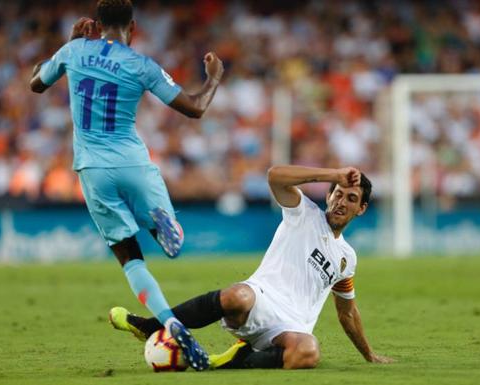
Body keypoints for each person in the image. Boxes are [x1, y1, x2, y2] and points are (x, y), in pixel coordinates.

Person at [29, 0, 224, 371]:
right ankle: (165, 227)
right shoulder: (142, 65)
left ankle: (169, 320)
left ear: (97, 25)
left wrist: (68, 43)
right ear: (132, 28)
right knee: (170, 237)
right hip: (133, 162)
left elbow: (36, 82)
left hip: (92, 168)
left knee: (129, 256)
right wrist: (214, 76)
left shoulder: (74, 50)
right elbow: (195, 107)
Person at [110, 165, 393, 369]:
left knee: (309, 352)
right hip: (259, 299)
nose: (341, 202)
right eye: (338, 194)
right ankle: (149, 326)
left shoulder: (347, 258)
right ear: (329, 194)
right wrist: (332, 174)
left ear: (362, 209)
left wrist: (368, 354)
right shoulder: (304, 213)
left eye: (351, 198)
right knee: (237, 295)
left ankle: (228, 361)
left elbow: (347, 312)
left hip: (290, 327)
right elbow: (274, 176)